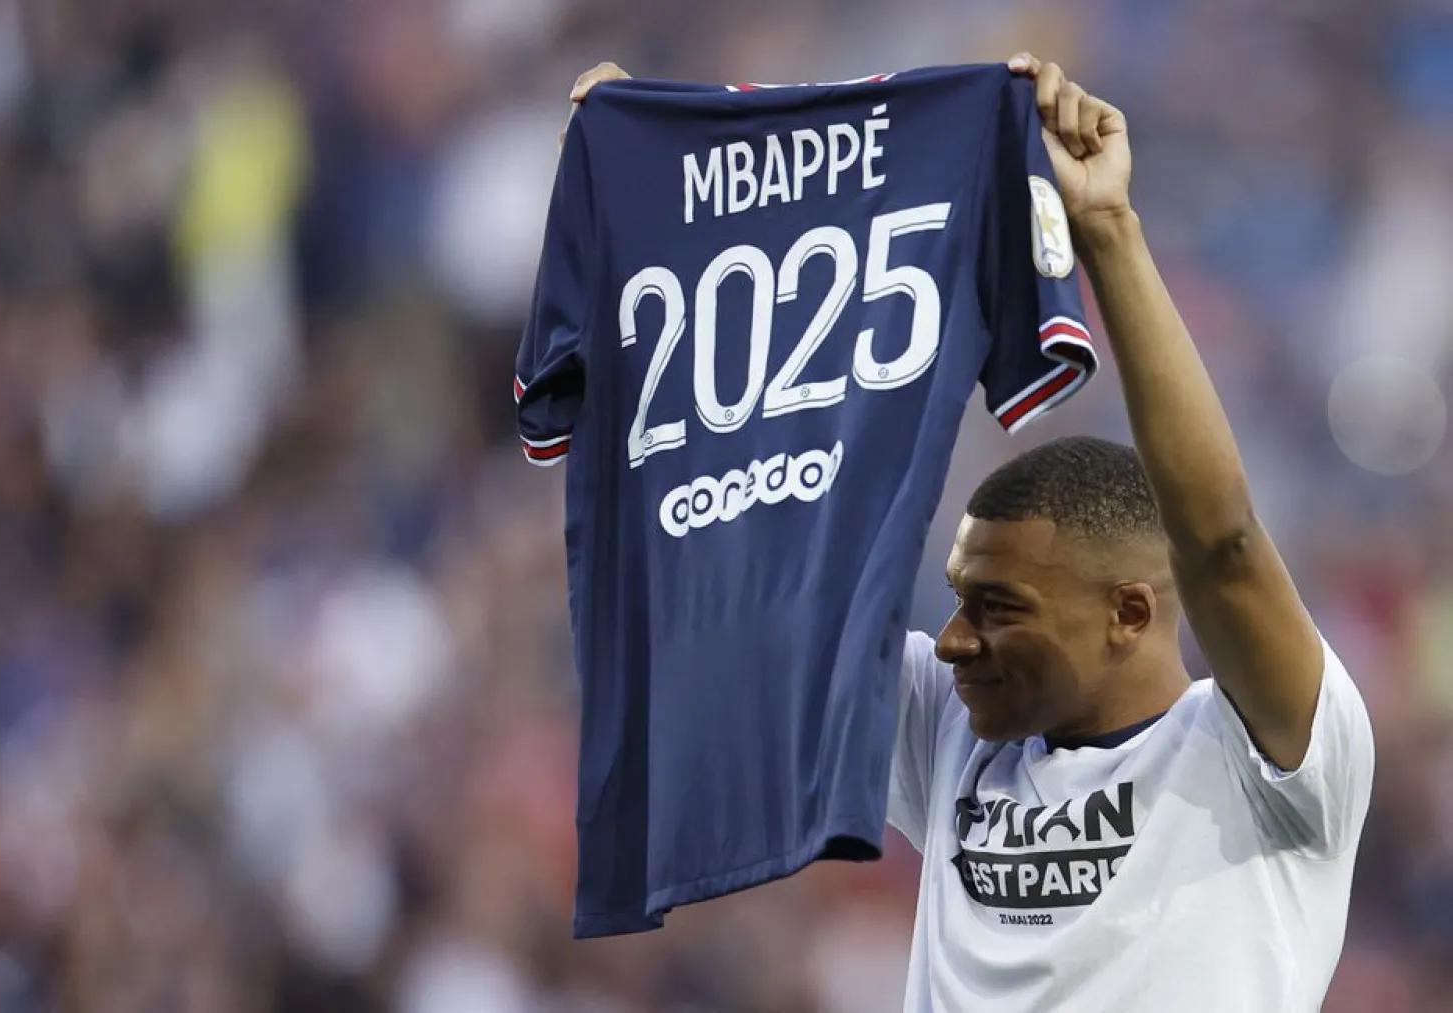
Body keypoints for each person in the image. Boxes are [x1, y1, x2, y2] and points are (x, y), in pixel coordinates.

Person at [563, 54, 1374, 1012]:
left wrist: (1107, 229)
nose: (950, 640)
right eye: (958, 598)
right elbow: (736, 556)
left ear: (1129, 611)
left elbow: (1222, 540)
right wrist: (667, 190)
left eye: (998, 609)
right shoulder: (957, 723)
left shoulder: (1266, 755)